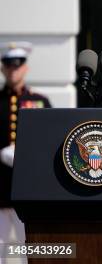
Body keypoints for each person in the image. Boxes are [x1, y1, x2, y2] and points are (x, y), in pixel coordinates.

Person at [0, 41, 51, 259]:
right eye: (9, 65)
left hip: (27, 189)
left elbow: (49, 141)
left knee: (30, 247)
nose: (13, 70)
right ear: (3, 68)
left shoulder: (38, 101)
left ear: (25, 68)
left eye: (18, 65)